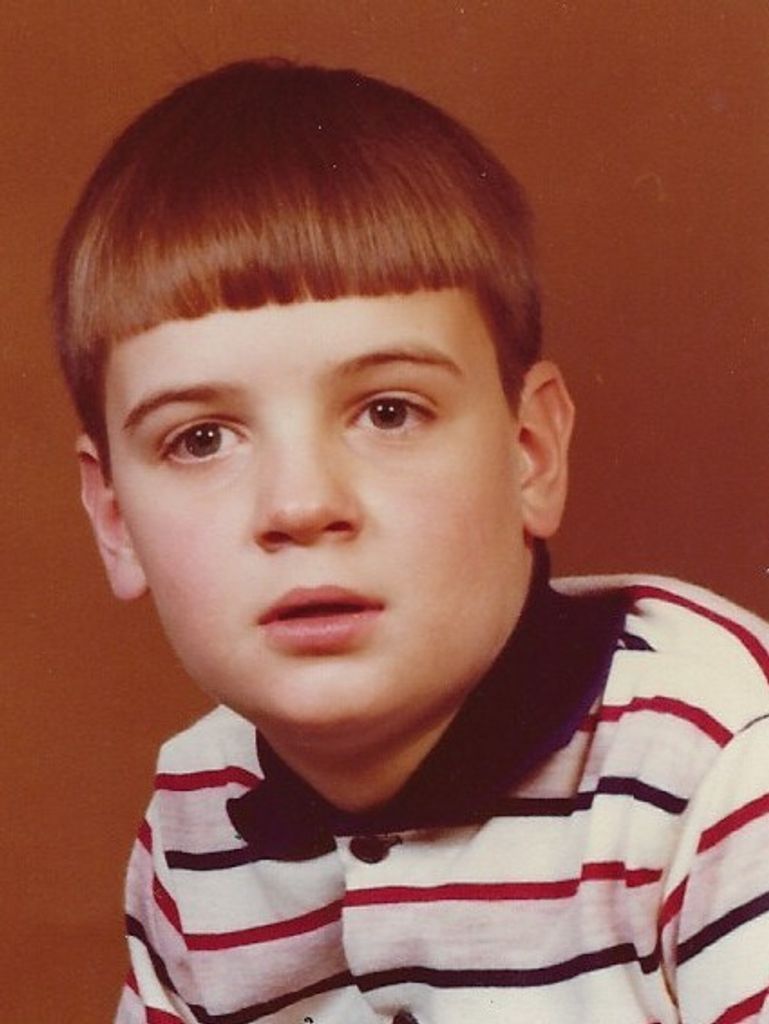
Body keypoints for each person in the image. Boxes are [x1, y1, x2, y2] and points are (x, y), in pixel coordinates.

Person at [53, 60, 769, 1024]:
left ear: (528, 452)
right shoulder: (195, 812)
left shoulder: (719, 761)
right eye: (202, 439)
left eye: (388, 411)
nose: (301, 505)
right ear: (113, 520)